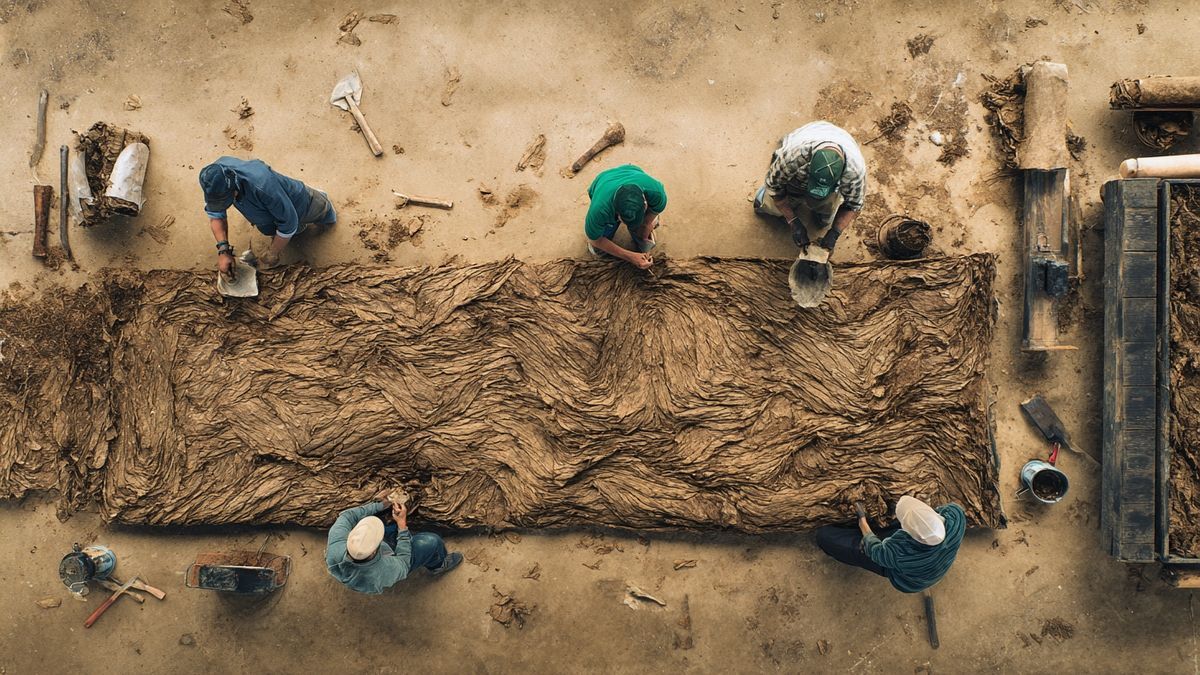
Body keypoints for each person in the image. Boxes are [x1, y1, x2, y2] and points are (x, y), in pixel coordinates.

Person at [199, 156, 337, 280]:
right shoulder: (214, 178)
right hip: (262, 210)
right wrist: (223, 250)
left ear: (234, 186)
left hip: (298, 202)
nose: (222, 205)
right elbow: (216, 216)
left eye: (225, 200)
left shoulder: (263, 185)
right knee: (272, 228)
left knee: (322, 212)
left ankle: (321, 200)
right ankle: (297, 229)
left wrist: (273, 252)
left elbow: (288, 224)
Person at [753, 121, 867, 257]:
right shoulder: (793, 156)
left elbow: (853, 205)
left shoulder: (855, 172)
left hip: (839, 143)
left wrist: (834, 233)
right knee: (771, 206)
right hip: (803, 149)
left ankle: (822, 208)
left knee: (825, 212)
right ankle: (764, 197)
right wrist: (793, 221)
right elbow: (774, 187)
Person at [815, 496, 965, 593]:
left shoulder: (901, 553)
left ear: (911, 535)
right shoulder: (956, 517)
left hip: (910, 581)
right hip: (938, 565)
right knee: (888, 525)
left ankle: (831, 540)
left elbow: (875, 550)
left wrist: (862, 521)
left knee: (827, 537)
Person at [325, 491, 463, 595]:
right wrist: (402, 525)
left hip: (366, 560)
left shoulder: (336, 542)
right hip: (389, 563)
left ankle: (391, 532)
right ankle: (437, 565)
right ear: (375, 550)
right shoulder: (382, 572)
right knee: (432, 542)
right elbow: (404, 562)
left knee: (381, 520)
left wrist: (381, 505)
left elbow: (347, 515)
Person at [585, 164, 667, 270]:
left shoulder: (657, 193)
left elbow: (652, 213)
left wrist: (646, 226)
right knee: (599, 247)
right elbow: (594, 240)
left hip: (630, 171)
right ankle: (614, 227)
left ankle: (640, 232)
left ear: (645, 204)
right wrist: (630, 256)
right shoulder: (600, 210)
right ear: (617, 214)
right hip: (604, 181)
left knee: (645, 227)